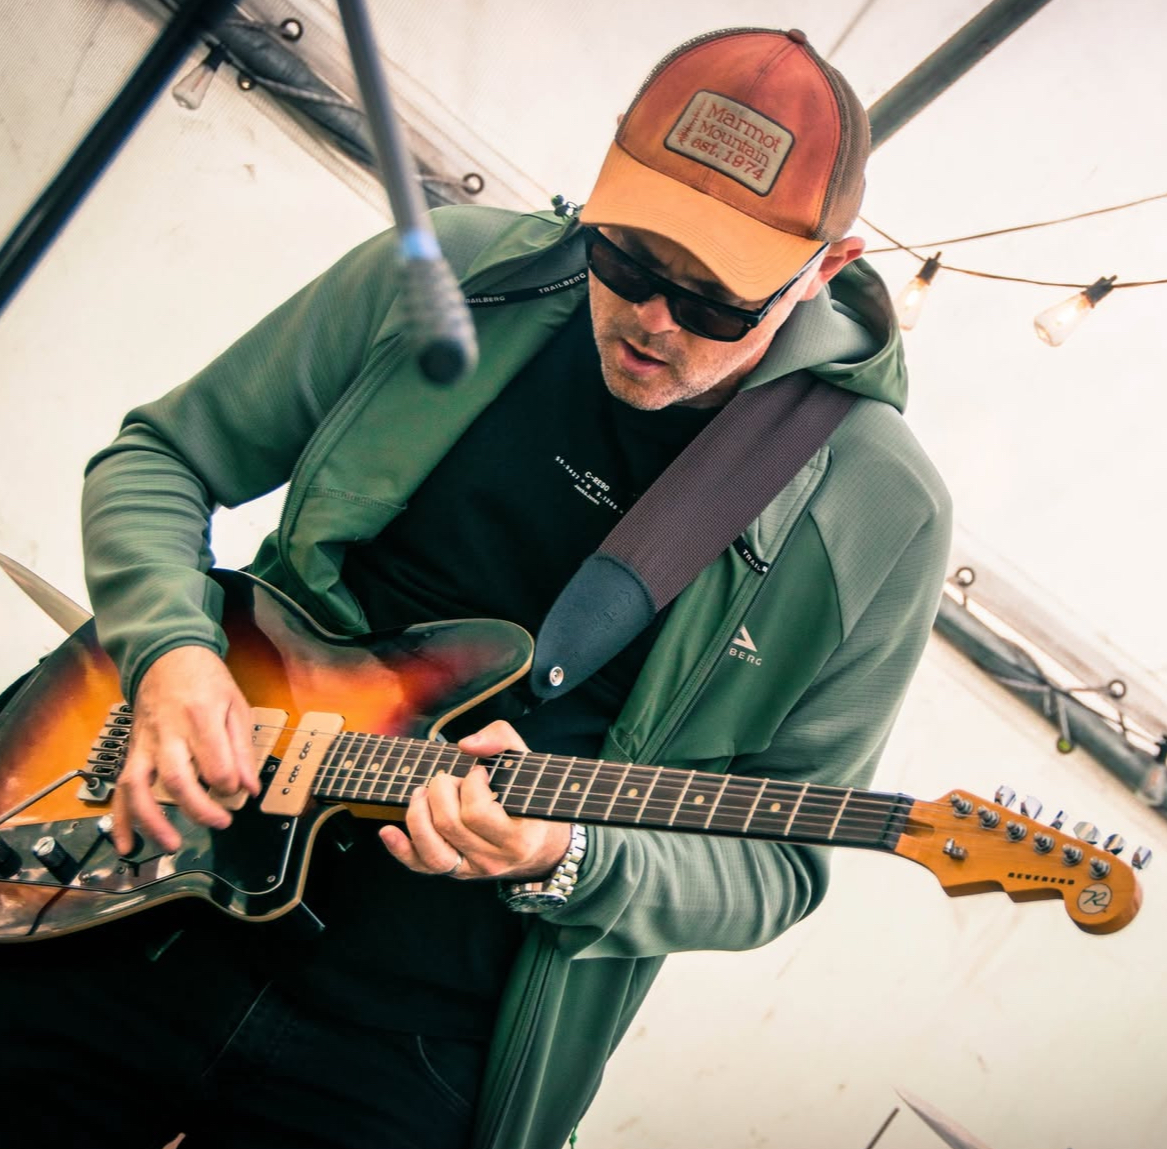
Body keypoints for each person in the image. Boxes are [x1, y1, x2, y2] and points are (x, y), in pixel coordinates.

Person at [0, 26, 951, 1149]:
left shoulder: (882, 510)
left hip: (420, 1045)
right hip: (141, 881)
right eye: (628, 259)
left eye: (714, 302)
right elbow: (161, 458)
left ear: (822, 270)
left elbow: (778, 865)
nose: (652, 318)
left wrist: (567, 856)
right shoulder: (449, 273)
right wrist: (171, 654)